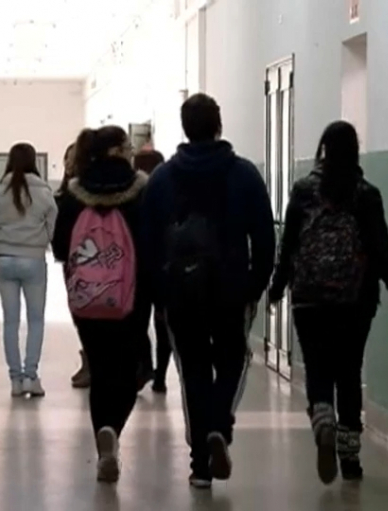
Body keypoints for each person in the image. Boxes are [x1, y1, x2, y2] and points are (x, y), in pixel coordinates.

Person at [268, 120, 388, 485]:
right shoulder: (367, 194)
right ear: (355, 151)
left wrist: (275, 290)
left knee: (318, 368)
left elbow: (288, 247)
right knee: (349, 372)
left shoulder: (303, 191)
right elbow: (382, 255)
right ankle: (350, 458)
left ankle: (322, 416)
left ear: (322, 149)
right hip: (355, 301)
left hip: (308, 298)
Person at [141, 93, 276, 488]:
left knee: (194, 372)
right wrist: (256, 284)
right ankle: (220, 425)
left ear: (185, 128)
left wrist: (159, 292)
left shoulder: (163, 178)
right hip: (232, 289)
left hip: (181, 292)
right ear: (219, 125)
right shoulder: (244, 174)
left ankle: (201, 465)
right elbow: (265, 237)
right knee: (233, 360)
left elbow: (147, 242)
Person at [52, 126, 151, 484]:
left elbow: (61, 248)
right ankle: (113, 428)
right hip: (132, 296)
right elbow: (152, 244)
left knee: (100, 369)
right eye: (127, 146)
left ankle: (103, 441)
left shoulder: (74, 194)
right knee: (129, 371)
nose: (130, 150)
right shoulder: (141, 191)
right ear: (116, 150)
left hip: (86, 299)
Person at [0, 142, 58, 398]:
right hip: (34, 261)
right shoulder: (45, 193)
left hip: (5, 260)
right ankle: (30, 377)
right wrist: (42, 243)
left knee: (10, 322)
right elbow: (53, 227)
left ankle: (14, 379)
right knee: (36, 321)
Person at [132, 148, 172, 393]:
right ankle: (161, 376)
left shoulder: (133, 192)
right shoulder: (169, 189)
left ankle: (145, 365)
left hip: (139, 264)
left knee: (138, 320)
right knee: (162, 321)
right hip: (165, 264)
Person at [56, 142, 92, 389]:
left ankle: (93, 362)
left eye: (73, 159)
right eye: (67, 159)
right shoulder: (65, 193)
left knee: (91, 311)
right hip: (72, 262)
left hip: (92, 258)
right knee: (80, 312)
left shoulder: (84, 192)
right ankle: (89, 360)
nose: (69, 164)